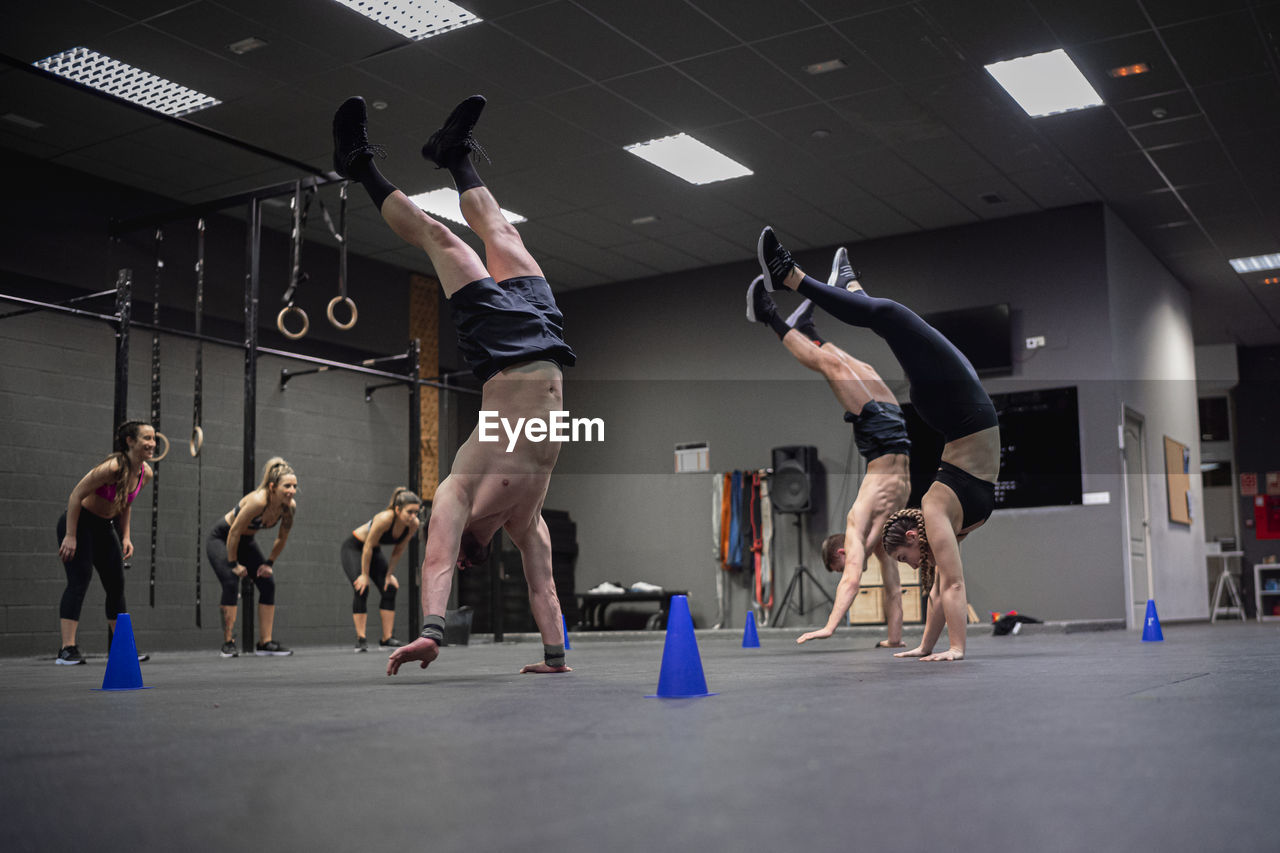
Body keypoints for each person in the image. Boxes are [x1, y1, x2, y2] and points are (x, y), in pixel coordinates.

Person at [331, 94, 575, 676]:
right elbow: (546, 594)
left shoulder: (456, 489)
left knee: (443, 240)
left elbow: (434, 560)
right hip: (543, 342)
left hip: (501, 352)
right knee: (506, 239)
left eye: (465, 553)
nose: (466, 558)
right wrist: (555, 659)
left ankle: (358, 164)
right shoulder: (528, 521)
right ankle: (451, 154)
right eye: (472, 560)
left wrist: (430, 633)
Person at [757, 227, 1001, 661]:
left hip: (956, 411)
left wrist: (948, 648)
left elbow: (948, 587)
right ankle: (844, 287)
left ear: (912, 535)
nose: (908, 566)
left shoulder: (932, 510)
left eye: (905, 558)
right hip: (959, 410)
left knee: (890, 321)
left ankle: (794, 279)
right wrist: (929, 648)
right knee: (892, 324)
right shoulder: (940, 518)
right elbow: (944, 587)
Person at [746, 247, 913, 649]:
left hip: (877, 436)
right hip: (897, 434)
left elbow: (859, 581)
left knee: (838, 367)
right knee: (860, 369)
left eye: (840, 563)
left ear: (841, 549)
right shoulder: (885, 541)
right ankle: (791, 323)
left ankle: (778, 319)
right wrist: (888, 639)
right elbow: (886, 589)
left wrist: (832, 626)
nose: (847, 567)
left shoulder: (859, 522)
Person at [55, 420, 156, 665]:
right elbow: (76, 495)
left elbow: (126, 503)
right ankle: (67, 650)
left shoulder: (145, 473)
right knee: (80, 580)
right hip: (81, 524)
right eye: (146, 438)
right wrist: (70, 534)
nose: (152, 444)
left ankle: (122, 648)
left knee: (116, 585)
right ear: (130, 441)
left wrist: (126, 536)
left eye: (154, 438)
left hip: (104, 528)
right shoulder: (111, 468)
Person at [205, 457, 298, 657]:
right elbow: (234, 532)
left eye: (294, 486)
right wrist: (233, 563)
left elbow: (281, 538)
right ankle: (228, 643)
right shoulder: (258, 501)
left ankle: (265, 643)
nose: (292, 490)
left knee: (267, 583)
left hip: (246, 543)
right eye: (287, 486)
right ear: (273, 487)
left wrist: (269, 563)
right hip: (222, 538)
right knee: (231, 581)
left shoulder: (288, 507)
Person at [341, 487, 422, 652]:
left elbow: (398, 550)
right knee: (362, 587)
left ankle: (386, 639)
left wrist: (389, 575)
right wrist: (364, 575)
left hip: (373, 550)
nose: (413, 516)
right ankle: (361, 640)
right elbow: (367, 546)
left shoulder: (413, 525)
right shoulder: (384, 519)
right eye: (409, 512)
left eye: (416, 512)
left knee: (390, 587)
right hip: (355, 547)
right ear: (398, 510)